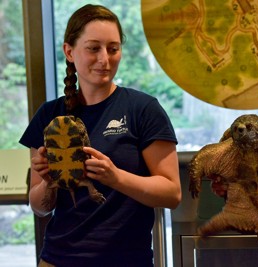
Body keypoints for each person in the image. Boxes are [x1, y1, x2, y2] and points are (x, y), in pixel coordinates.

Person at [19, 4, 181, 267]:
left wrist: (115, 177)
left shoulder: (143, 109)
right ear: (69, 52)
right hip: (58, 259)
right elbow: (40, 207)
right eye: (93, 48)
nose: (105, 59)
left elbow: (171, 193)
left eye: (113, 49)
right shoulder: (49, 115)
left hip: (128, 259)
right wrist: (49, 181)